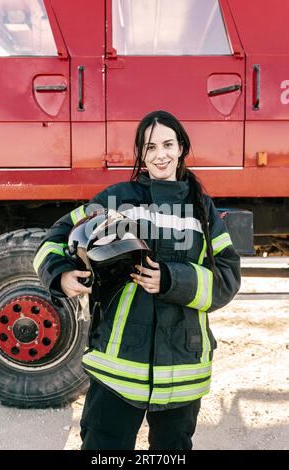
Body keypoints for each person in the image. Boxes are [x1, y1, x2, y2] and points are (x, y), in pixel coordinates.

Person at [34, 110, 241, 450]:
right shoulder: (117, 199)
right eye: (150, 147)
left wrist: (173, 279)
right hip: (116, 366)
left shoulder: (202, 209)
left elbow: (228, 279)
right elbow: (55, 238)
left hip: (182, 371)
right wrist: (61, 275)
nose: (160, 154)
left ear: (181, 147)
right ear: (141, 155)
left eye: (168, 144)